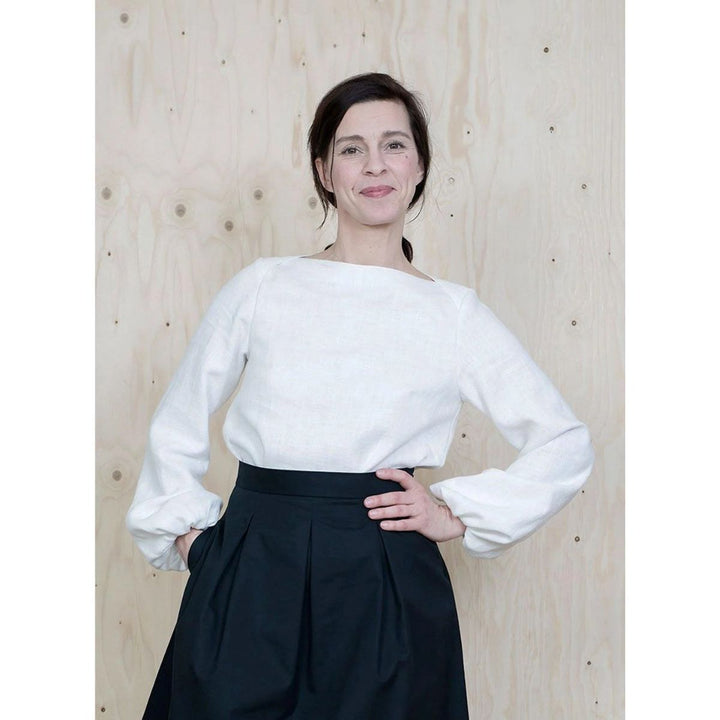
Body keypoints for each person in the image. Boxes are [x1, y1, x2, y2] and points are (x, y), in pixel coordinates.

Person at [126, 72, 595, 720]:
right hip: (253, 568)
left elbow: (564, 441)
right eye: (352, 148)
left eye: (394, 145)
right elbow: (177, 417)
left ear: (419, 165)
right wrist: (191, 540)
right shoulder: (264, 286)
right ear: (324, 171)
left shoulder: (453, 313)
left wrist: (455, 513)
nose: (375, 165)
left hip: (386, 579)